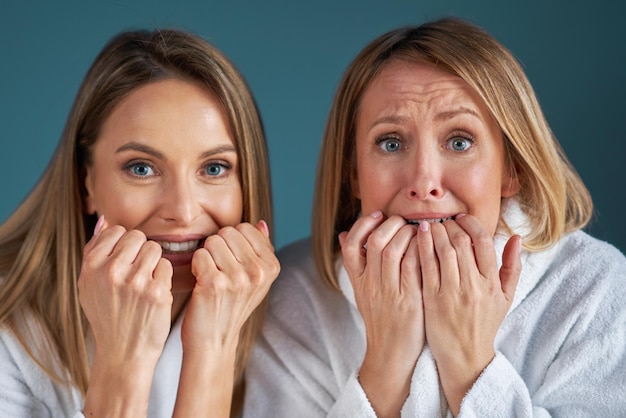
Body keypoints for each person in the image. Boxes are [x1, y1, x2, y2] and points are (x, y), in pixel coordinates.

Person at [243, 17, 626, 417]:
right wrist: (385, 364)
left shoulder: (595, 292)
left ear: (513, 169)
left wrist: (470, 364)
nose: (424, 182)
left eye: (459, 142)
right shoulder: (296, 296)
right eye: (390, 143)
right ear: (353, 172)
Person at [0, 28, 280, 418]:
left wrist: (212, 348)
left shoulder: (290, 320)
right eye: (142, 168)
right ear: (87, 184)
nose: (183, 211)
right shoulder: (8, 333)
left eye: (214, 168)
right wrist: (121, 362)